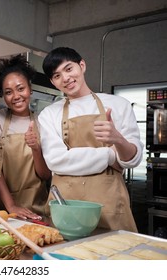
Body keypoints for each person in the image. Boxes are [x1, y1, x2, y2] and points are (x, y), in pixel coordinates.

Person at [39, 47, 143, 232]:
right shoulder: (49, 114)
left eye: (69, 69)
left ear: (82, 65)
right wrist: (110, 156)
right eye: (57, 75)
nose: (66, 78)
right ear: (53, 82)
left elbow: (132, 159)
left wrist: (118, 139)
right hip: (65, 204)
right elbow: (56, 160)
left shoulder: (118, 105)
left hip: (108, 203)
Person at [0, 54, 52, 220]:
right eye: (8, 92)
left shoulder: (43, 121)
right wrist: (11, 206)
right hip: (1, 208)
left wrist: (36, 148)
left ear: (30, 88)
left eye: (21, 88)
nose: (16, 96)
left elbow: (45, 175)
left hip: (35, 208)